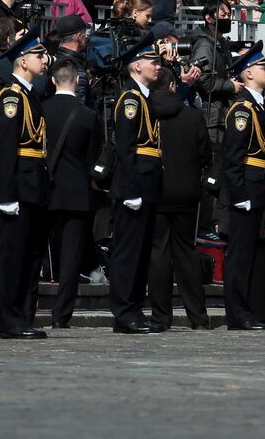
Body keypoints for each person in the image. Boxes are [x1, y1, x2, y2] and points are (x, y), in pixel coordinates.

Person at [0, 32, 52, 339]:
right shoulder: (12, 97)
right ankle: (5, 320)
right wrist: (6, 194)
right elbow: (4, 148)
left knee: (28, 256)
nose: (44, 60)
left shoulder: (30, 96)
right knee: (9, 257)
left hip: (33, 185)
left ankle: (20, 315)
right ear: (23, 60)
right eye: (39, 55)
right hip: (17, 187)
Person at [108, 35, 166, 334]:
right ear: (136, 65)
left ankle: (134, 308)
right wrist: (130, 190)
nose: (158, 66)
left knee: (141, 253)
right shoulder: (130, 99)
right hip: (135, 185)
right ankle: (124, 311)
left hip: (147, 183)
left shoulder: (144, 97)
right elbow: (127, 148)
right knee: (128, 252)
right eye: (153, 61)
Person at [219, 41, 265, 331]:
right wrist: (239, 193)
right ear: (248, 73)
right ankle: (238, 313)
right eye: (262, 67)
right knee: (240, 254)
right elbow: (233, 157)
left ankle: (252, 309)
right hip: (246, 189)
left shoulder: (258, 106)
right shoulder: (242, 110)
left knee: (252, 252)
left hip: (258, 186)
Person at [42, 55, 103, 328]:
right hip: (78, 192)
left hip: (47, 189)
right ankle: (61, 315)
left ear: (53, 80)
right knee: (70, 259)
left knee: (38, 252)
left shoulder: (41, 109)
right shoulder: (89, 116)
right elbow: (94, 157)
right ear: (77, 81)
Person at [148, 82, 213, 330]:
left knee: (159, 253)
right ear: (173, 86)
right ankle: (197, 315)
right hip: (186, 191)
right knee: (186, 253)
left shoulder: (147, 114)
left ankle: (160, 316)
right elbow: (205, 154)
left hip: (157, 190)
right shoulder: (192, 116)